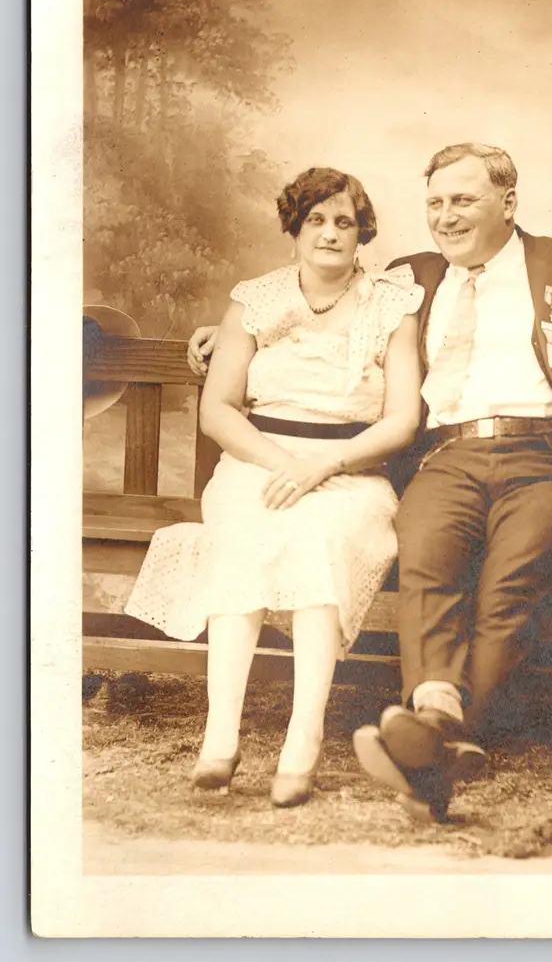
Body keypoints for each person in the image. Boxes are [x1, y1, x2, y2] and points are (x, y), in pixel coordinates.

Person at [187, 143, 552, 823]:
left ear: (507, 204)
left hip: (546, 460)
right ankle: (437, 730)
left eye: (463, 201)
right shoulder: (412, 276)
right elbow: (329, 301)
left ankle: (434, 726)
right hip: (445, 459)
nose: (445, 218)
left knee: (506, 585)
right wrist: (227, 334)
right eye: (435, 204)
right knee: (425, 561)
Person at [127, 167, 423, 808]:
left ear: (362, 232)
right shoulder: (254, 301)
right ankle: (220, 739)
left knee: (319, 539)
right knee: (243, 539)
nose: (330, 233)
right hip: (255, 466)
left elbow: (403, 417)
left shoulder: (392, 303)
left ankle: (303, 739)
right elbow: (219, 409)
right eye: (315, 219)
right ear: (294, 228)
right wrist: (278, 463)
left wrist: (325, 465)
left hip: (349, 473)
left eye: (344, 221)